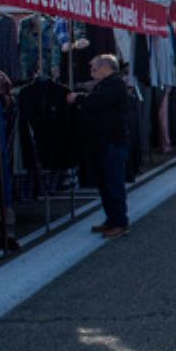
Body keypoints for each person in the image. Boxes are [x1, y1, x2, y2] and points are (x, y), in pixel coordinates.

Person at [68, 55, 130, 238]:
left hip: (113, 141)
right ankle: (111, 219)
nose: (92, 72)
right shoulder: (107, 84)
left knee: (113, 183)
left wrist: (77, 99)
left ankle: (120, 222)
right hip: (104, 141)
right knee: (105, 184)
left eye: (94, 69)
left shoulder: (115, 85)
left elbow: (98, 101)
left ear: (106, 68)